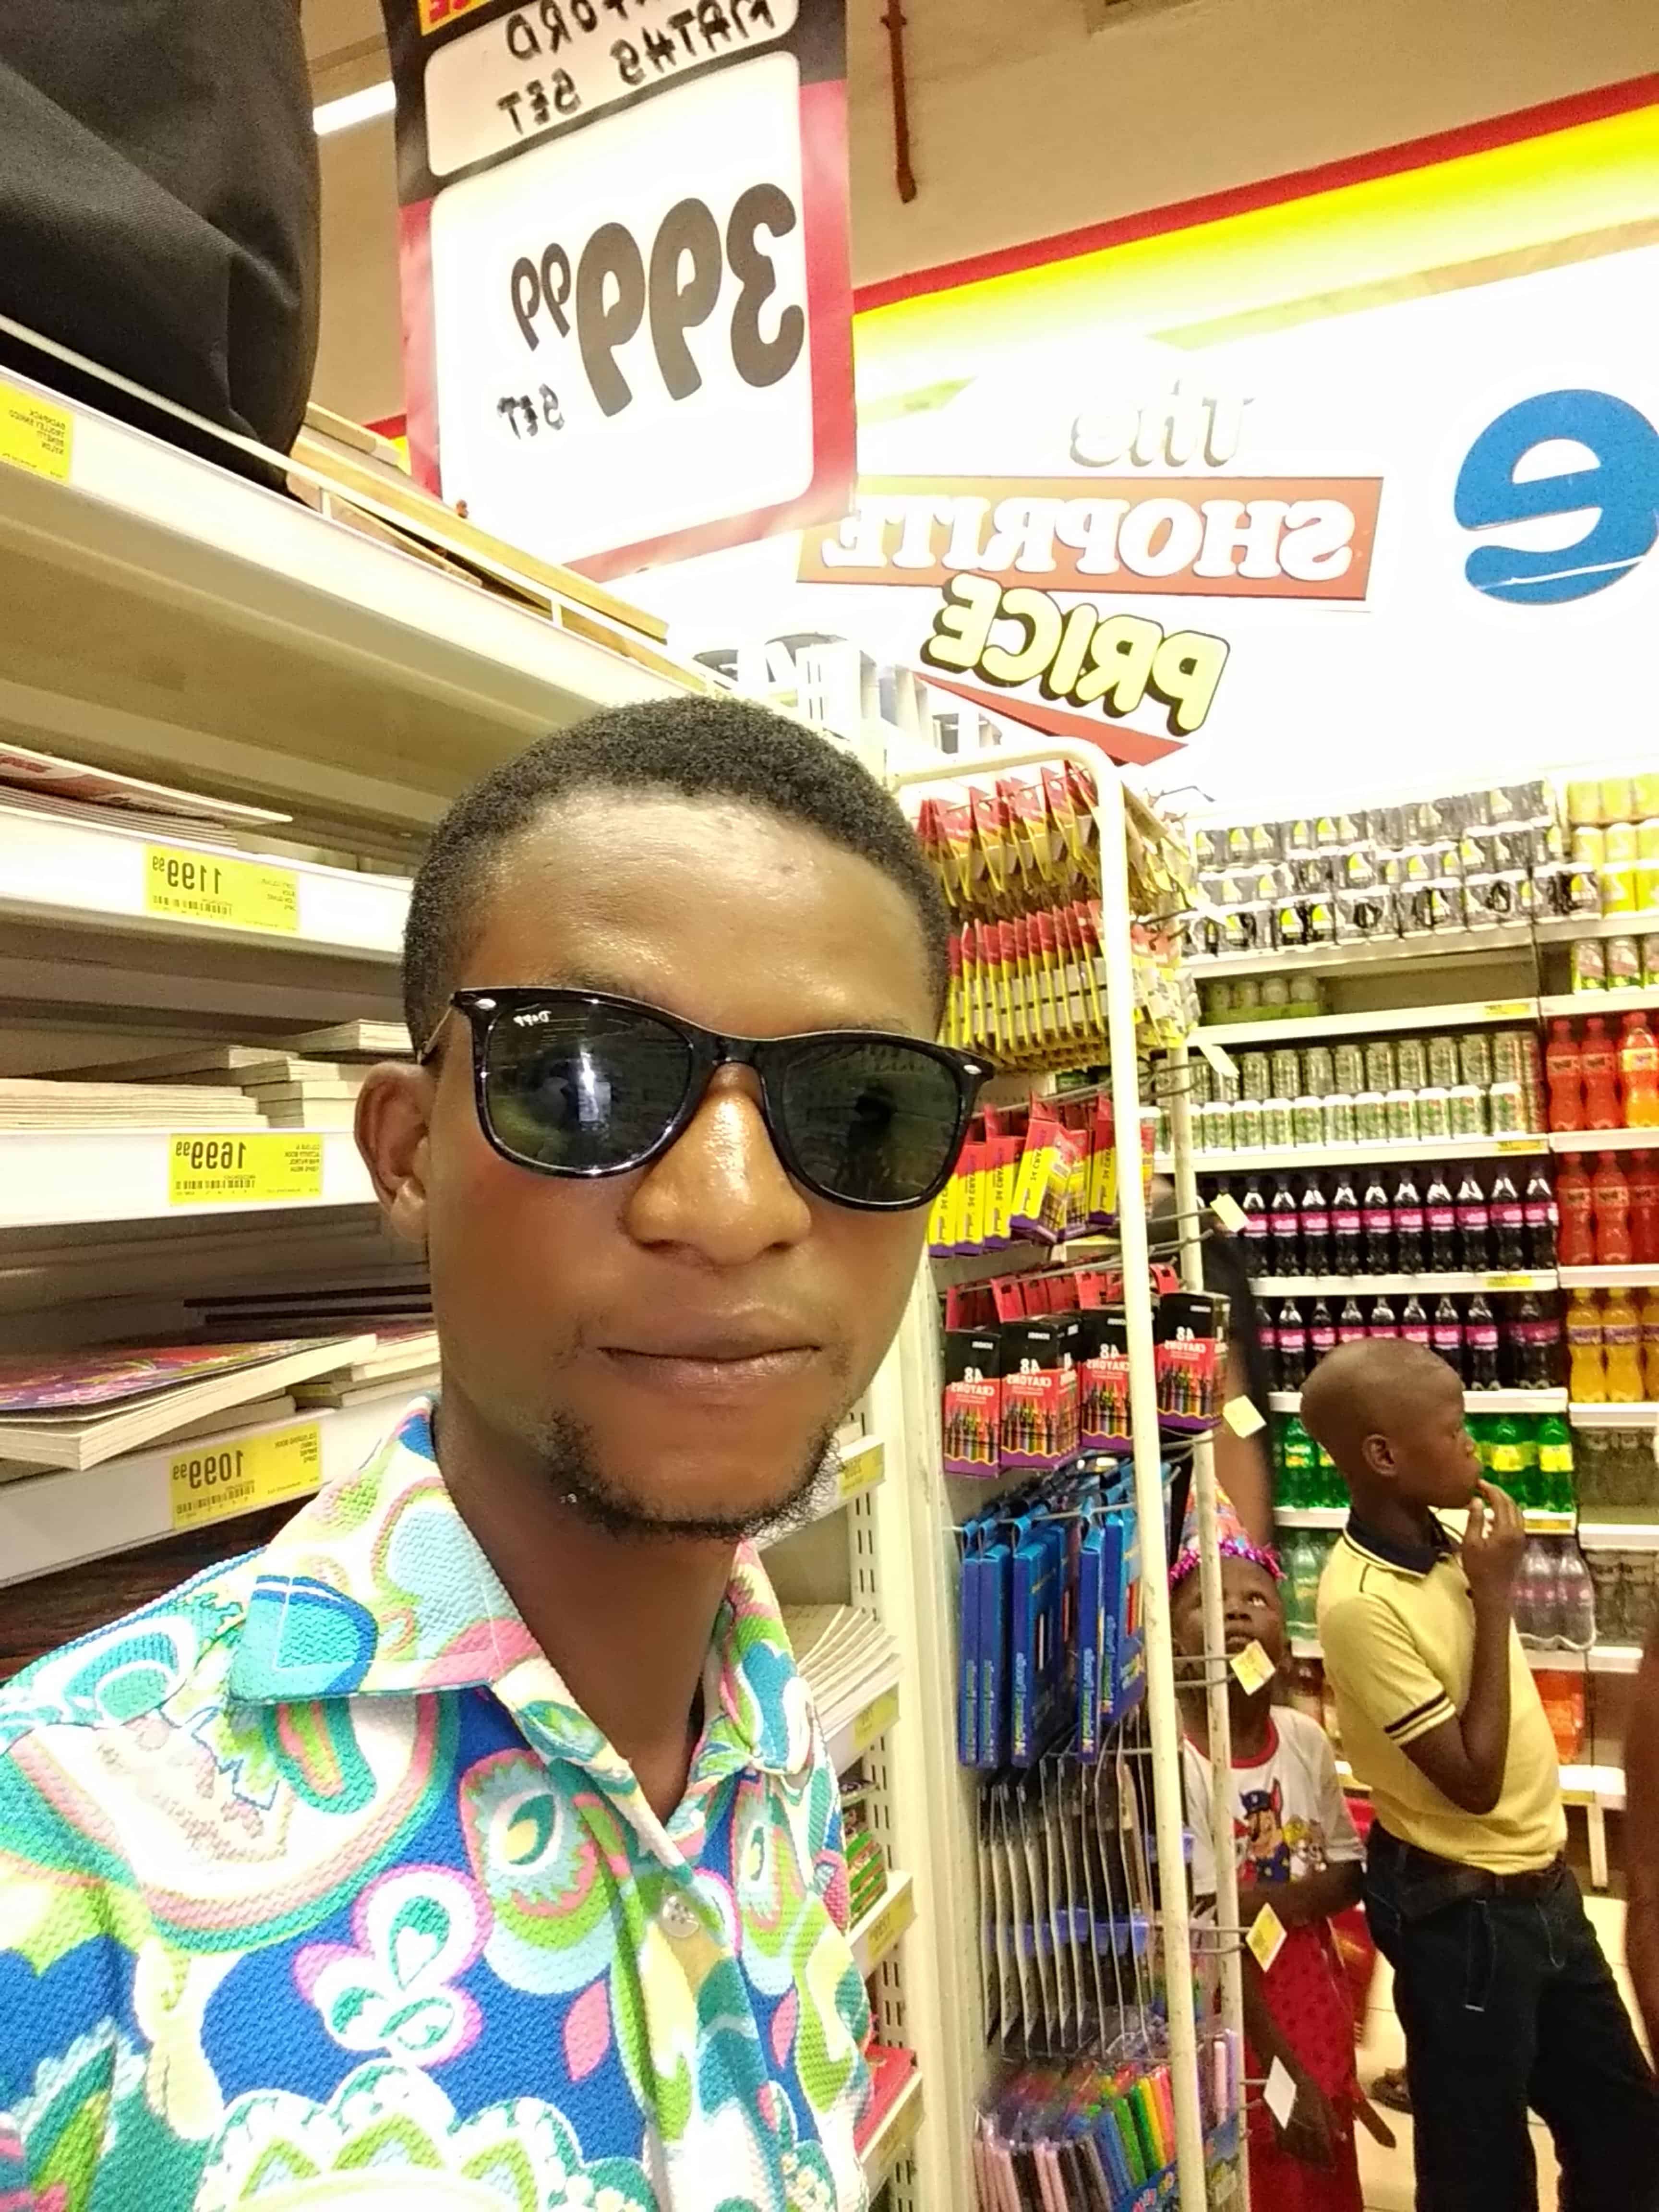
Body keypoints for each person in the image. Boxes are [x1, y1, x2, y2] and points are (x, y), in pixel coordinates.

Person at [0, 698, 986, 2210]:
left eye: (861, 1109)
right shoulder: (59, 1868)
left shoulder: (763, 1722)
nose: (731, 1209)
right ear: (408, 1153)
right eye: (586, 1080)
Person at [1306, 1336, 1659, 2212]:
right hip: (1461, 1913)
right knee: (1480, 2166)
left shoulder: (1442, 1544)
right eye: (1454, 1429)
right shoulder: (1360, 1604)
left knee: (1625, 2129)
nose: (1473, 1445)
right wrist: (1495, 1593)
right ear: (1384, 1456)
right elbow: (1473, 1781)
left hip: (1542, 1885)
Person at [1171, 1491, 1370, 2208]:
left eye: (1257, 1598)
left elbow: (1349, 1873)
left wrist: (1253, 1903)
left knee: (1325, 2150)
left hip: (1312, 1989)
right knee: (1261, 2161)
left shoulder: (1305, 1741)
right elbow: (1206, 1927)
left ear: (1284, 1644)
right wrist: (1282, 2073)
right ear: (1172, 1646)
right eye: (1209, 1602)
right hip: (1232, 2014)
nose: (1236, 1611)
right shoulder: (1180, 1764)